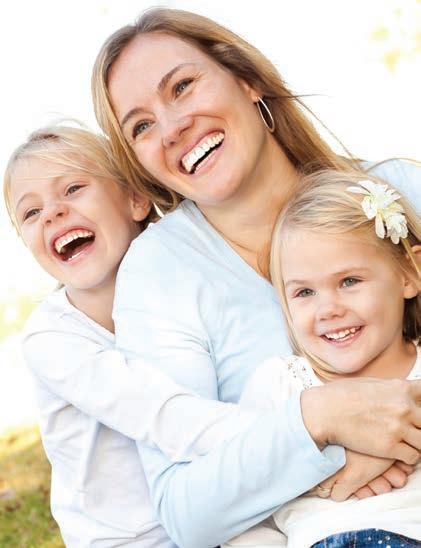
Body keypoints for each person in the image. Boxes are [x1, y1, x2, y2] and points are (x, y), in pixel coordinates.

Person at [90, 7, 421, 547]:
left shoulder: (394, 193)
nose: (172, 129)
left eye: (183, 87)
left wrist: (400, 428)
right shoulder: (159, 272)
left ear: (248, 81)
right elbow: (187, 514)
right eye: (141, 126)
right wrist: (319, 422)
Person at [4, 124, 268, 546]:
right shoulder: (52, 339)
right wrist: (298, 436)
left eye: (73, 188)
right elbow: (166, 417)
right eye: (31, 213)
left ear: (136, 199)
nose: (51, 214)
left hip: (223, 502)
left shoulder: (184, 278)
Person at [225, 171, 421, 547]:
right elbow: (245, 505)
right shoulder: (280, 385)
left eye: (349, 281)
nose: (328, 309)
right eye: (304, 292)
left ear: (408, 275)